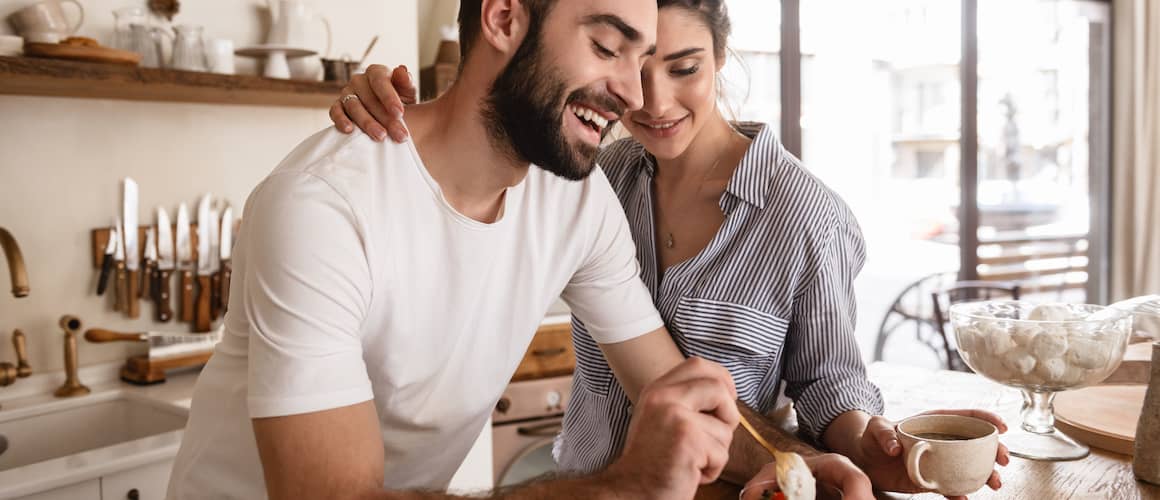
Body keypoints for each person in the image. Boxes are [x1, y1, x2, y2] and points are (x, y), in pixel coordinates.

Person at [330, 0, 1012, 498]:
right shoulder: (595, 177)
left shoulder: (807, 215)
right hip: (586, 487)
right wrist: (397, 115)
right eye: (624, 63)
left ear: (721, 56)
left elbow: (829, 380)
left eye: (683, 68)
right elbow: (487, 146)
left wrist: (875, 448)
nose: (649, 100)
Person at [165, 1, 745, 499]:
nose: (634, 92)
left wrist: (788, 462)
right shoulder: (322, 206)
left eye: (639, 59)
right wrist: (627, 487)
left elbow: (674, 387)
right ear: (502, 18)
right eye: (606, 46)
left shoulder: (576, 199)